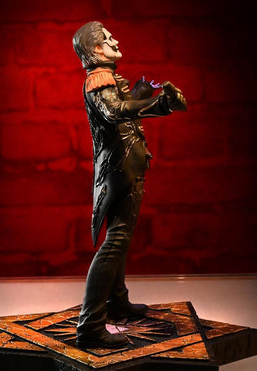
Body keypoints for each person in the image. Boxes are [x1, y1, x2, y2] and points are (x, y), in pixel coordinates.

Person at [72, 21, 186, 348]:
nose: (115, 41)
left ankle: (116, 303)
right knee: (116, 240)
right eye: (108, 39)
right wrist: (159, 103)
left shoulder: (107, 78)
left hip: (125, 166)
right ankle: (90, 327)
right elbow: (114, 112)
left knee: (120, 236)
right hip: (120, 169)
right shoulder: (99, 79)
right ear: (96, 49)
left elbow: (123, 115)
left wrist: (144, 95)